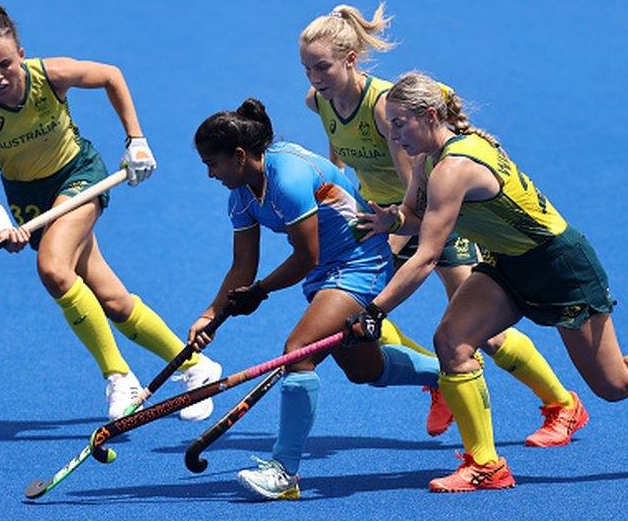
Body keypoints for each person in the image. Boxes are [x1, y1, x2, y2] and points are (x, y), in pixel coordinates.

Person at [351, 72, 628, 492]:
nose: (393, 134)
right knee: (452, 341)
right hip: (509, 264)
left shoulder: (454, 167)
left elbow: (426, 255)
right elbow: (421, 216)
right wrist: (395, 219)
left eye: (400, 123)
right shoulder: (427, 159)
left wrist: (375, 311)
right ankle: (486, 465)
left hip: (559, 266)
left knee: (615, 383)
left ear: (430, 115)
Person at [300, 4, 584, 446]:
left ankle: (562, 404)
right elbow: (338, 148)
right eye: (307, 68)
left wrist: (399, 226)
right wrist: (339, 196)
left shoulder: (382, 107)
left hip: (427, 213)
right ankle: (438, 380)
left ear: (351, 60)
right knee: (360, 308)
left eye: (322, 66)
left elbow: (413, 179)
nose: (314, 77)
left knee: (483, 335)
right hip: (380, 217)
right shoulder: (319, 101)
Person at [0, 4, 220, 421]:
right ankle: (195, 366)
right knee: (112, 300)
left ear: (21, 53)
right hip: (28, 202)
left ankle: (118, 376)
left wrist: (136, 141)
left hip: (79, 177)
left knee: (54, 270)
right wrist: (1, 222)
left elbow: (111, 75)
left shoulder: (50, 75)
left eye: (5, 63)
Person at [189, 98, 446, 500]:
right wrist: (211, 317)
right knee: (365, 369)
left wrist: (259, 292)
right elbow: (242, 268)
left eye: (213, 163)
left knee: (298, 352)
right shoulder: (240, 194)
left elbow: (304, 256)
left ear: (239, 156)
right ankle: (445, 374)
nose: (209, 173)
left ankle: (284, 472)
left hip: (360, 261)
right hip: (324, 274)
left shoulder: (287, 178)